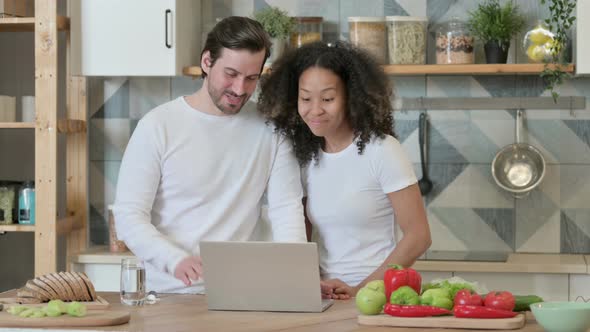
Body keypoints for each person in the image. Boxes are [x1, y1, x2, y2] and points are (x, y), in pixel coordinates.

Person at [113, 16, 307, 294]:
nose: (240, 89)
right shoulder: (158, 125)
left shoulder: (272, 131)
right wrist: (175, 260)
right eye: (231, 74)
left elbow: (286, 210)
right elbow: (129, 216)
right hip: (170, 293)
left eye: (251, 78)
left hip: (242, 293)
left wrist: (295, 278)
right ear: (207, 62)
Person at [257, 41, 432, 299]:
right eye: (305, 98)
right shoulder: (305, 156)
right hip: (324, 297)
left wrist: (360, 290)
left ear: (351, 96)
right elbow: (302, 233)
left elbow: (419, 237)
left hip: (376, 297)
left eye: (328, 99)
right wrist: (309, 281)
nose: (315, 110)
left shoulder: (382, 150)